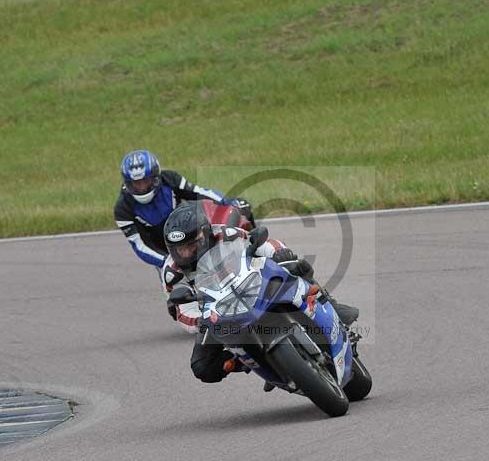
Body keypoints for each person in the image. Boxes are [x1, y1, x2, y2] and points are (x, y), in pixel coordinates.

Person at [161, 203, 359, 384]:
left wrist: (280, 253)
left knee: (297, 267)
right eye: (180, 249)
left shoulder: (226, 234)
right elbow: (181, 309)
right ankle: (247, 360)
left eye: (192, 245)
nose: (186, 253)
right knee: (202, 366)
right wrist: (200, 319)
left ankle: (331, 306)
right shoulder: (171, 273)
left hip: (252, 285)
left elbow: (263, 244)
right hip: (217, 311)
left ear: (205, 233)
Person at [113, 149, 254, 274]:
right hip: (165, 255)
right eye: (137, 184)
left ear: (155, 177)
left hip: (193, 237)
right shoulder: (122, 209)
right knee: (175, 289)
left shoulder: (170, 179)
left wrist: (229, 202)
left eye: (146, 181)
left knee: (241, 209)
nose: (142, 188)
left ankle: (255, 250)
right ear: (128, 183)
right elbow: (139, 246)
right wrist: (166, 261)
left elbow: (198, 192)